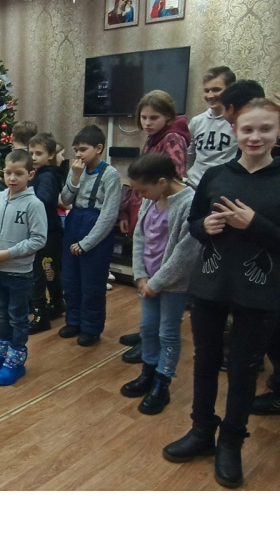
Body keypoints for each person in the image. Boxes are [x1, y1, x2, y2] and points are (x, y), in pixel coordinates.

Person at [162, 98, 280, 489]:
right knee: (205, 361)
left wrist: (254, 224)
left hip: (259, 292)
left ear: (277, 131)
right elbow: (195, 221)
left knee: (244, 370)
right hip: (210, 285)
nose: (255, 136)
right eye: (248, 129)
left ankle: (231, 442)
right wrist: (205, 226)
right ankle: (201, 431)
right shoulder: (216, 175)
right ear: (235, 131)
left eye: (265, 128)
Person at [119, 153, 196, 415]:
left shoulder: (188, 203)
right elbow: (140, 237)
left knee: (168, 333)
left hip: (173, 285)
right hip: (148, 281)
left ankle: (162, 382)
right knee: (148, 329)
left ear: (162, 182)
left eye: (143, 190)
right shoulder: (150, 200)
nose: (140, 196)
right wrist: (140, 276)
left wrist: (157, 282)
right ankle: (148, 373)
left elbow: (184, 254)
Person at [117, 90, 192, 360]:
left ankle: (154, 346)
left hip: (163, 218)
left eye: (154, 118)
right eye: (144, 117)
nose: (147, 123)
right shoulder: (152, 138)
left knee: (164, 314)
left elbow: (173, 177)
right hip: (148, 210)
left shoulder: (172, 139)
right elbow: (140, 180)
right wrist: (127, 209)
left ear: (168, 117)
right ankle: (146, 336)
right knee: (149, 306)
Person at [0, 149, 47, 385]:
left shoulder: (34, 204)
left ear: (30, 174)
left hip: (19, 274)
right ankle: (2, 352)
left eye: (18, 173)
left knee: (18, 317)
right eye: (8, 173)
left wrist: (8, 254)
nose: (12, 178)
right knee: (1, 312)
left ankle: (16, 361)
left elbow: (38, 239)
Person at [58, 125, 122, 346]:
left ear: (99, 148)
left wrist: (87, 243)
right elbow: (65, 200)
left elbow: (109, 215)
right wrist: (74, 177)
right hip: (74, 221)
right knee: (70, 279)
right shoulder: (77, 169)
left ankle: (91, 328)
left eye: (83, 149)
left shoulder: (110, 175)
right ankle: (73, 321)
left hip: (95, 228)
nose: (78, 154)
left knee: (92, 283)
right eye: (76, 149)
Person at [27, 133, 65, 333]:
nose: (33, 157)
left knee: (40, 273)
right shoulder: (41, 173)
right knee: (49, 272)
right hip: (45, 231)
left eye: (38, 153)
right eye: (31, 153)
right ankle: (57, 304)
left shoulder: (47, 176)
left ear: (50, 155)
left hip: (47, 233)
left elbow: (44, 200)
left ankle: (40, 315)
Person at [186, 66, 237, 189]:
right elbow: (189, 156)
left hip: (222, 186)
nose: (210, 95)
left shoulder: (237, 122)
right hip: (193, 185)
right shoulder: (196, 121)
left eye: (216, 90)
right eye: (206, 90)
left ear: (230, 89)